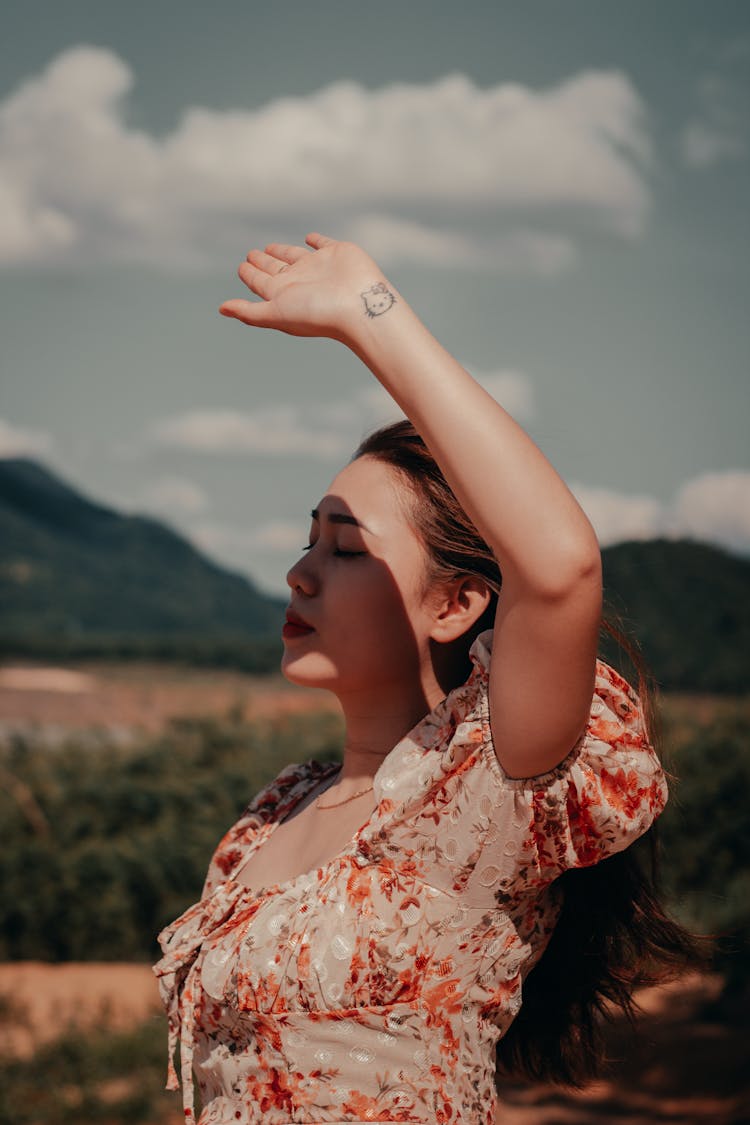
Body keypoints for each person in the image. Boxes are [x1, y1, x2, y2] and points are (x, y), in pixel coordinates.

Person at [153, 235, 700, 1124]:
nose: (300, 573)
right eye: (307, 539)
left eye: (345, 546)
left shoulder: (481, 793)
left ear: (456, 604)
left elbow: (558, 569)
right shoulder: (272, 817)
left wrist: (368, 311)